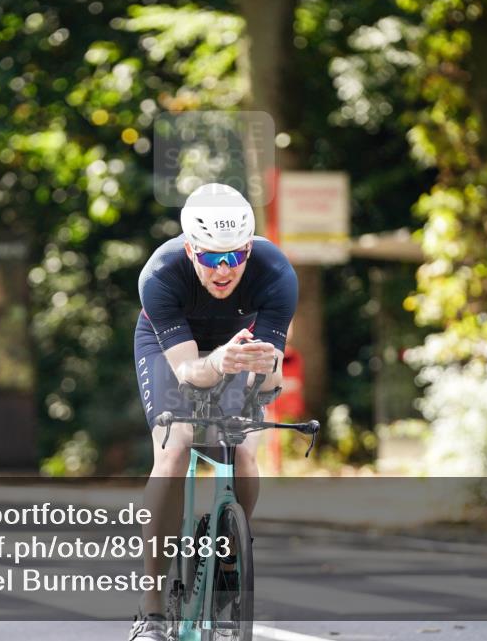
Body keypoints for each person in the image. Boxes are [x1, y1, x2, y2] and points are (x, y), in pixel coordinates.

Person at [129, 184, 298, 640]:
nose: (224, 269)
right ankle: (151, 606)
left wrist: (264, 373)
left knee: (242, 449)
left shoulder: (276, 272)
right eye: (210, 257)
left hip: (239, 347)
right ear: (190, 250)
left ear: (249, 249)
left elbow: (272, 380)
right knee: (176, 448)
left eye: (234, 255)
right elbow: (188, 372)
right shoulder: (160, 274)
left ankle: (231, 552)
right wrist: (218, 361)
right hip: (173, 351)